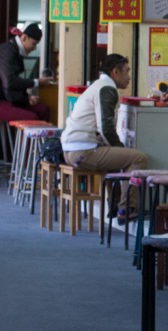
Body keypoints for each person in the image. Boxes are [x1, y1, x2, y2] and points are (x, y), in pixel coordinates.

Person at [61, 54, 148, 220]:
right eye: (127, 71)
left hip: (72, 149)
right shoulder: (107, 88)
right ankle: (127, 208)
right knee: (138, 158)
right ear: (115, 72)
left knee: (116, 158)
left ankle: (114, 204)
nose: (129, 77)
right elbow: (106, 127)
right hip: (83, 150)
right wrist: (120, 148)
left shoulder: (97, 85)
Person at [0, 23, 53, 123]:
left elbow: (10, 85)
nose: (34, 48)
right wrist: (36, 82)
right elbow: (10, 82)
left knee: (43, 110)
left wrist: (26, 99)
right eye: (34, 44)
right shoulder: (5, 52)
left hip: (5, 99)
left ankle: (44, 139)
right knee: (32, 118)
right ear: (24, 38)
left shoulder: (14, 51)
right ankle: (17, 139)